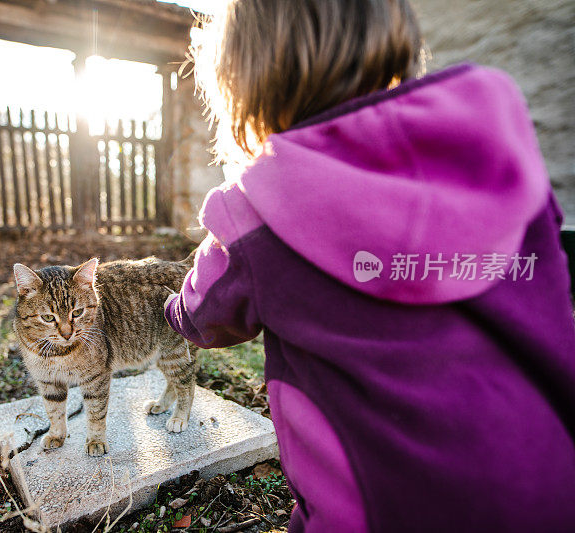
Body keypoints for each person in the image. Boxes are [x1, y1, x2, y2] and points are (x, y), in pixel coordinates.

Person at [163, 1, 575, 531]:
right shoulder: (500, 154)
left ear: (241, 80)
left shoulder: (255, 213)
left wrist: (175, 308)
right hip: (552, 483)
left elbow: (202, 317)